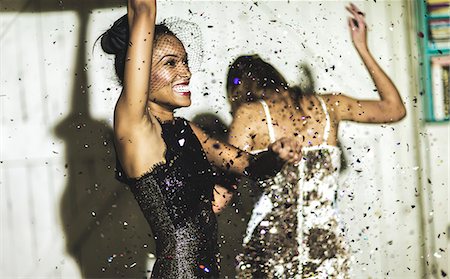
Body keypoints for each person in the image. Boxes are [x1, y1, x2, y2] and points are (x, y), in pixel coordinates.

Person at [100, 0, 301, 277]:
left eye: (184, 61)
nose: (186, 72)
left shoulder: (186, 130)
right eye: (170, 63)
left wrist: (277, 154)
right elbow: (143, 8)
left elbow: (253, 167)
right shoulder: (135, 127)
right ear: (139, 70)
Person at [227, 3, 406, 278]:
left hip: (270, 252)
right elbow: (395, 108)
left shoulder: (248, 115)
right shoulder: (329, 106)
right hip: (326, 249)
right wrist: (362, 47)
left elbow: (228, 182)